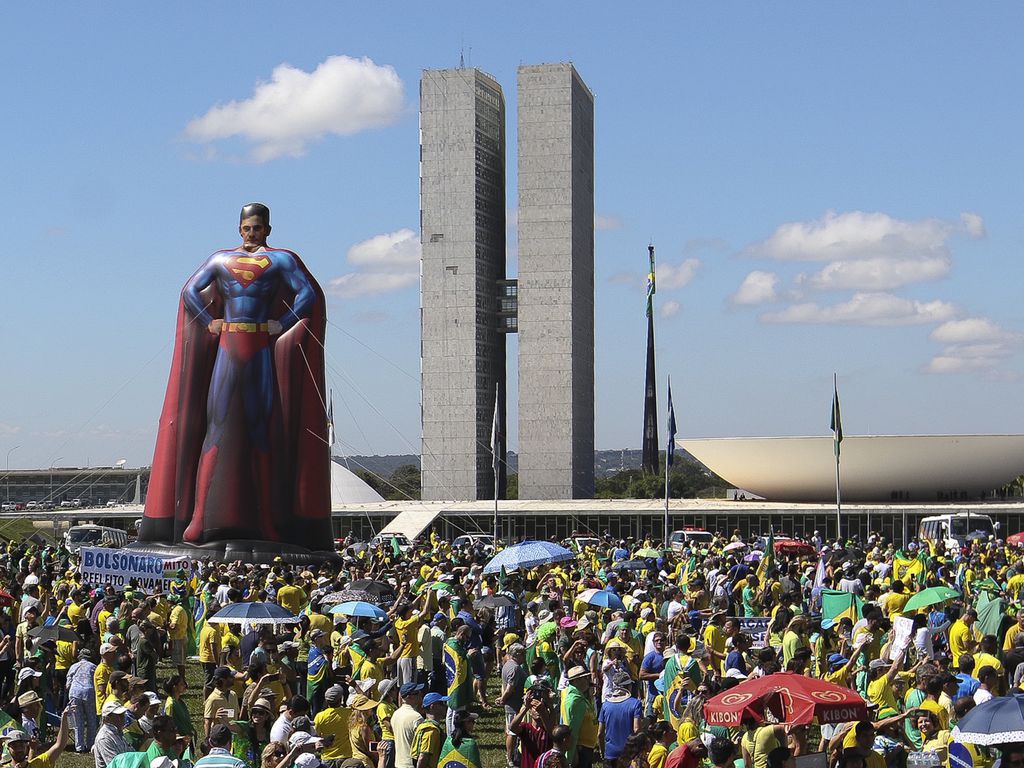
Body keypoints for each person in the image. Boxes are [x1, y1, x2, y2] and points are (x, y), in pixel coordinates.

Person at [138, 202, 333, 550]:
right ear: (239, 228)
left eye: (257, 228)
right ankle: (199, 517)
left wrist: (283, 324)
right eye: (247, 228)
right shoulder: (220, 259)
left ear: (267, 229)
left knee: (261, 431)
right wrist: (207, 319)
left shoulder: (282, 260)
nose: (252, 233)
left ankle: (267, 520)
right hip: (229, 346)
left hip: (259, 348)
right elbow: (189, 291)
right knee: (216, 429)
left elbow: (308, 294)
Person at [598, 671, 643, 768]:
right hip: (628, 754)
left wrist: (603, 752)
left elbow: (600, 733)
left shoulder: (605, 705)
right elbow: (637, 729)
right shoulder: (635, 704)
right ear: (628, 686)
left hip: (610, 754)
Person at [3, 706, 71, 768]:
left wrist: (64, 718)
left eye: (21, 745)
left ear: (26, 746)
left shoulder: (38, 764)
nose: (19, 749)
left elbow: (60, 744)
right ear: (7, 748)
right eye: (14, 746)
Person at [229, 696, 276, 768]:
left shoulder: (270, 734)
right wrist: (221, 717)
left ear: (267, 716)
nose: (257, 715)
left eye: (261, 713)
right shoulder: (244, 727)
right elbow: (229, 726)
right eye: (255, 712)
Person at [313, 685, 353, 766]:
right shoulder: (349, 713)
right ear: (340, 699)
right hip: (345, 756)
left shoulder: (319, 716)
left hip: (327, 758)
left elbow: (316, 734)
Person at [392, 682, 425, 768]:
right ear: (409, 697)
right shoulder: (417, 718)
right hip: (411, 764)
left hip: (398, 763)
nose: (420, 695)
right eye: (417, 693)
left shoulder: (395, 714)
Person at [411, 693, 447, 768]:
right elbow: (423, 757)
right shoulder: (431, 730)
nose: (445, 706)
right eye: (441, 703)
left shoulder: (423, 725)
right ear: (432, 706)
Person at [93, 701, 132, 768]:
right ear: (108, 719)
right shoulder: (104, 738)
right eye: (119, 715)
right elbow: (114, 764)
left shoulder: (119, 733)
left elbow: (131, 753)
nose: (123, 717)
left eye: (123, 714)